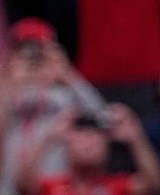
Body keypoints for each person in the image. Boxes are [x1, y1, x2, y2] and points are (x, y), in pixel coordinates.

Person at [0, 19, 108, 195]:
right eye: (25, 50)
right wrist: (8, 82)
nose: (33, 59)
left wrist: (68, 75)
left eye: (39, 51)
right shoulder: (5, 94)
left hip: (52, 185)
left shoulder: (63, 96)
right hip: (7, 185)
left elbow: (104, 120)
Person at [15, 104, 160, 195]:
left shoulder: (117, 186)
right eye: (82, 140)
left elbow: (155, 183)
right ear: (67, 149)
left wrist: (136, 139)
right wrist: (48, 138)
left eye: (95, 142)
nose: (88, 146)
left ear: (107, 150)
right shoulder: (54, 186)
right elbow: (22, 183)